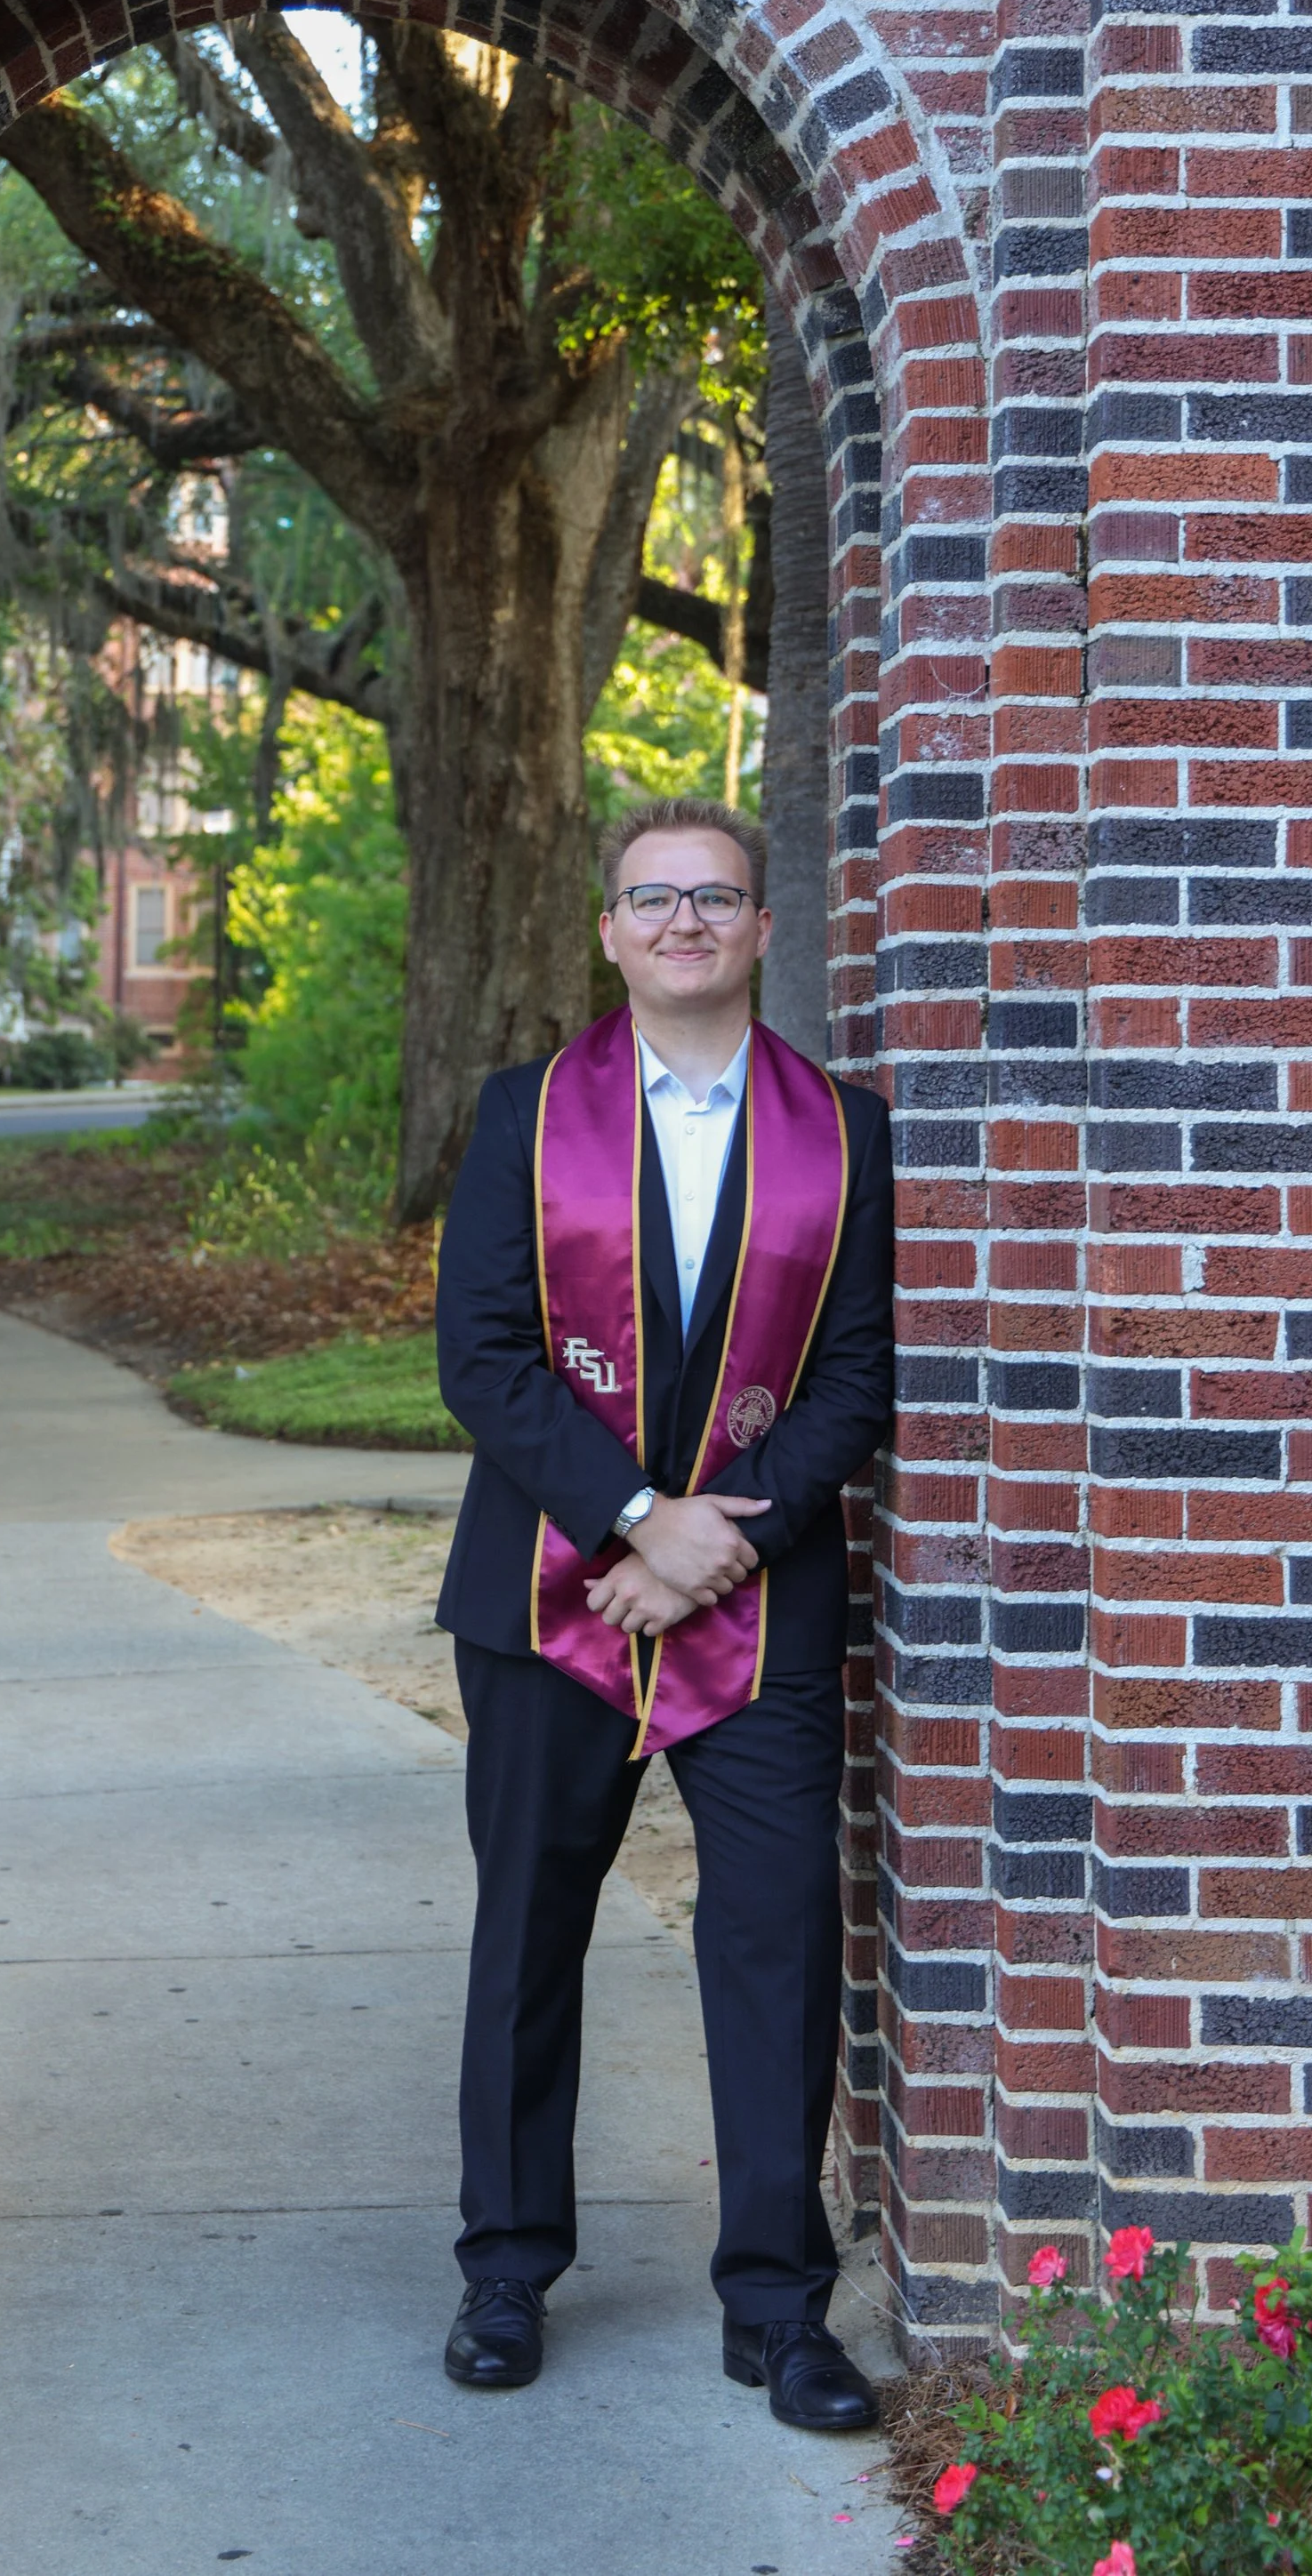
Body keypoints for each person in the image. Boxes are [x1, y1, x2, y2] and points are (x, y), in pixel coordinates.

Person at [431, 795, 895, 2432]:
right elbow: (480, 1355)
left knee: (777, 1946)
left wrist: (716, 1548)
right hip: (550, 1596)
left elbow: (856, 1376)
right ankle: (505, 2268)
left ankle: (778, 2308)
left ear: (764, 927)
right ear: (610, 933)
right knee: (527, 1937)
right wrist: (636, 1521)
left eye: (715, 896)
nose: (684, 920)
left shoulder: (847, 1133)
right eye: (653, 897)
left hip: (759, 1609)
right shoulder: (524, 1114)